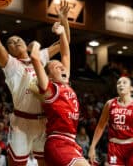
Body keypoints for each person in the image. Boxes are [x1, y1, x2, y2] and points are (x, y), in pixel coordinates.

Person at [0, 0, 70, 166]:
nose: (15, 41)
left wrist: (64, 20)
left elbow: (65, 42)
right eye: (11, 42)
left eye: (18, 39)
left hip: (43, 121)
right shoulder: (11, 65)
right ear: (9, 50)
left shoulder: (41, 56)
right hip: (21, 122)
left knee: (46, 162)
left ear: (25, 42)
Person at [30, 22, 90, 166]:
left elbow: (65, 53)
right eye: (56, 67)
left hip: (70, 142)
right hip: (58, 142)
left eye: (62, 66)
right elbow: (35, 58)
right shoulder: (50, 88)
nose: (62, 67)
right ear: (49, 76)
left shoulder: (65, 82)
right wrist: (35, 46)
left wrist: (62, 32)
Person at [88, 76, 133, 166]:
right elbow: (100, 126)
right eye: (118, 83)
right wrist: (92, 147)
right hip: (115, 147)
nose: (121, 85)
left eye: (124, 82)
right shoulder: (109, 104)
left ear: (131, 88)